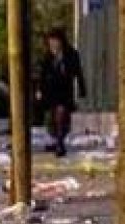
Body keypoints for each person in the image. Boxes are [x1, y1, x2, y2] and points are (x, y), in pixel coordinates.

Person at [36, 28, 86, 157]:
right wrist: (40, 89)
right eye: (51, 41)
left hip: (64, 90)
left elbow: (78, 72)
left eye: (55, 40)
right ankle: (55, 140)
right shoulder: (47, 56)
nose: (53, 43)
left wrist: (81, 88)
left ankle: (60, 143)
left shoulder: (71, 54)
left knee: (61, 115)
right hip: (50, 90)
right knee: (51, 117)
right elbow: (42, 74)